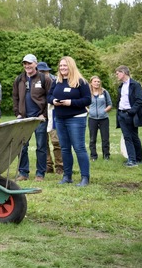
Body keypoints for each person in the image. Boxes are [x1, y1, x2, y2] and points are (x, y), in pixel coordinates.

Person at [49, 56, 91, 186]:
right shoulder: (56, 81)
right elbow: (49, 96)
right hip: (60, 118)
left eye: (65, 66)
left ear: (71, 66)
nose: (62, 68)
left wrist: (70, 102)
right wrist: (53, 101)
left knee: (79, 148)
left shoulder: (81, 82)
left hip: (76, 119)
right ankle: (67, 176)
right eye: (61, 66)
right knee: (65, 148)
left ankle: (85, 177)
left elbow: (87, 100)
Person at [12, 54, 52, 182]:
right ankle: (23, 172)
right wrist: (18, 113)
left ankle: (40, 174)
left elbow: (50, 98)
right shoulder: (19, 79)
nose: (27, 66)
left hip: (39, 119)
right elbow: (15, 98)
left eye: (29, 63)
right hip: (24, 119)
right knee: (22, 146)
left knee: (41, 146)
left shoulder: (44, 78)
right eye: (25, 63)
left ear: (35, 64)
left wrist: (44, 114)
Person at [115, 65, 142, 168]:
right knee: (128, 137)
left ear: (124, 73)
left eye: (118, 73)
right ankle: (135, 159)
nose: (117, 75)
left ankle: (133, 160)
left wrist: (131, 112)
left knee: (132, 137)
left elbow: (140, 100)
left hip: (130, 114)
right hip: (121, 114)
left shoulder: (135, 85)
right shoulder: (121, 86)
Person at [38, 62, 63, 175]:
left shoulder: (57, 81)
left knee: (56, 141)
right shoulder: (34, 82)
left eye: (45, 71)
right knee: (43, 142)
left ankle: (60, 166)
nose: (43, 73)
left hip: (53, 113)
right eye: (41, 71)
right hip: (41, 114)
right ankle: (48, 165)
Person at [87, 76, 112, 161]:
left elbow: (110, 104)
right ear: (91, 83)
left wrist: (104, 111)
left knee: (105, 138)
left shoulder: (104, 92)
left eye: (98, 81)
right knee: (92, 139)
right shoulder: (87, 93)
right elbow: (83, 103)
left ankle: (106, 156)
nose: (97, 83)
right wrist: (88, 110)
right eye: (95, 81)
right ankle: (93, 156)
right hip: (92, 118)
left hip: (104, 118)